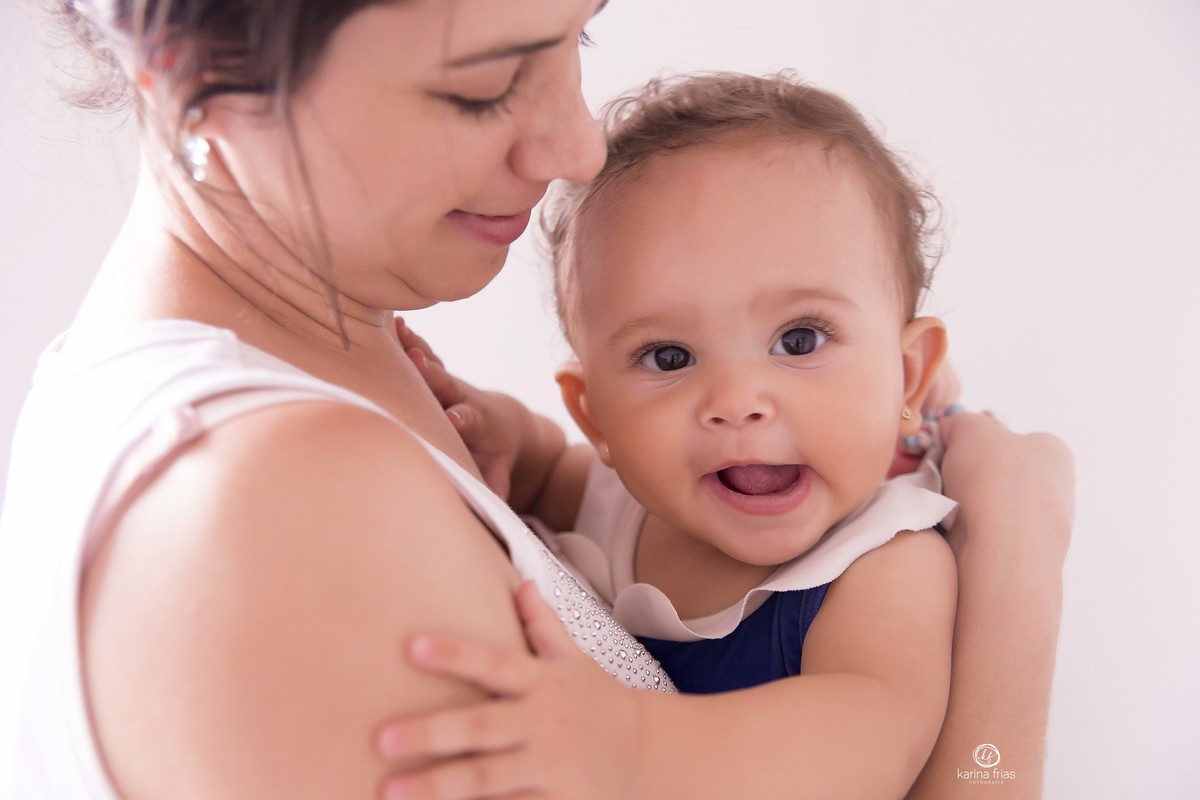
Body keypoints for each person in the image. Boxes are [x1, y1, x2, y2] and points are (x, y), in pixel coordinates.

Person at [1, 1, 1073, 798]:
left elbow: (871, 726)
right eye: (483, 83)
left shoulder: (880, 562)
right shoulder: (281, 503)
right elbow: (588, 484)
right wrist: (1018, 566)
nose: (577, 146)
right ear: (198, 75)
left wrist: (505, 443)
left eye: (578, 36)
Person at [393, 72, 963, 705]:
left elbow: (869, 738)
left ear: (909, 374)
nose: (736, 402)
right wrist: (496, 430)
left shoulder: (887, 562)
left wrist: (630, 737)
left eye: (799, 340)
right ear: (596, 416)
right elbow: (543, 474)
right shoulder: (629, 505)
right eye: (670, 357)